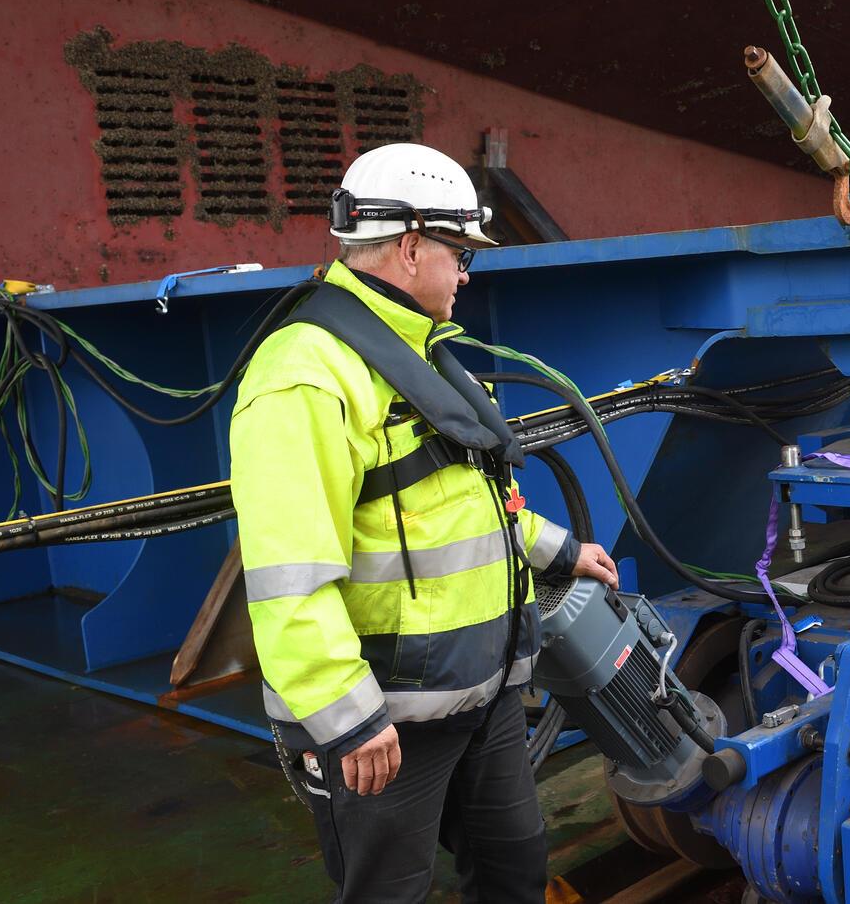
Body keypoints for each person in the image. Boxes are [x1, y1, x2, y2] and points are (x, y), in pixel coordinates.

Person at [229, 142, 619, 903]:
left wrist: (559, 549)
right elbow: (287, 574)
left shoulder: (431, 356)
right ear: (410, 247)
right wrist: (347, 717)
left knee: (514, 871)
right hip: (389, 723)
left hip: (486, 690)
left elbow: (468, 499)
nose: (467, 273)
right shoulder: (305, 377)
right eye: (460, 251)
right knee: (388, 893)